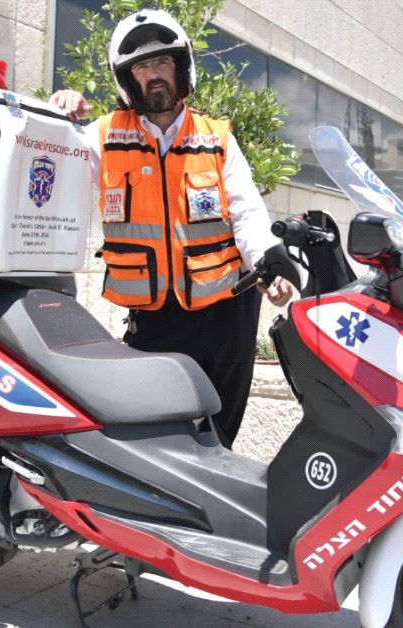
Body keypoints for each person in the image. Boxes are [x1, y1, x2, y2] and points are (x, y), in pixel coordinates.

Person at [50, 9, 294, 448]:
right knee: (155, 435)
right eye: (142, 67)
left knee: (220, 434)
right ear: (127, 79)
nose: (154, 74)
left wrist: (269, 261)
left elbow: (246, 212)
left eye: (162, 62)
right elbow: (48, 161)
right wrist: (57, 115)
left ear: (181, 68)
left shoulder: (216, 137)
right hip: (156, 316)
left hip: (226, 311)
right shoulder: (102, 137)